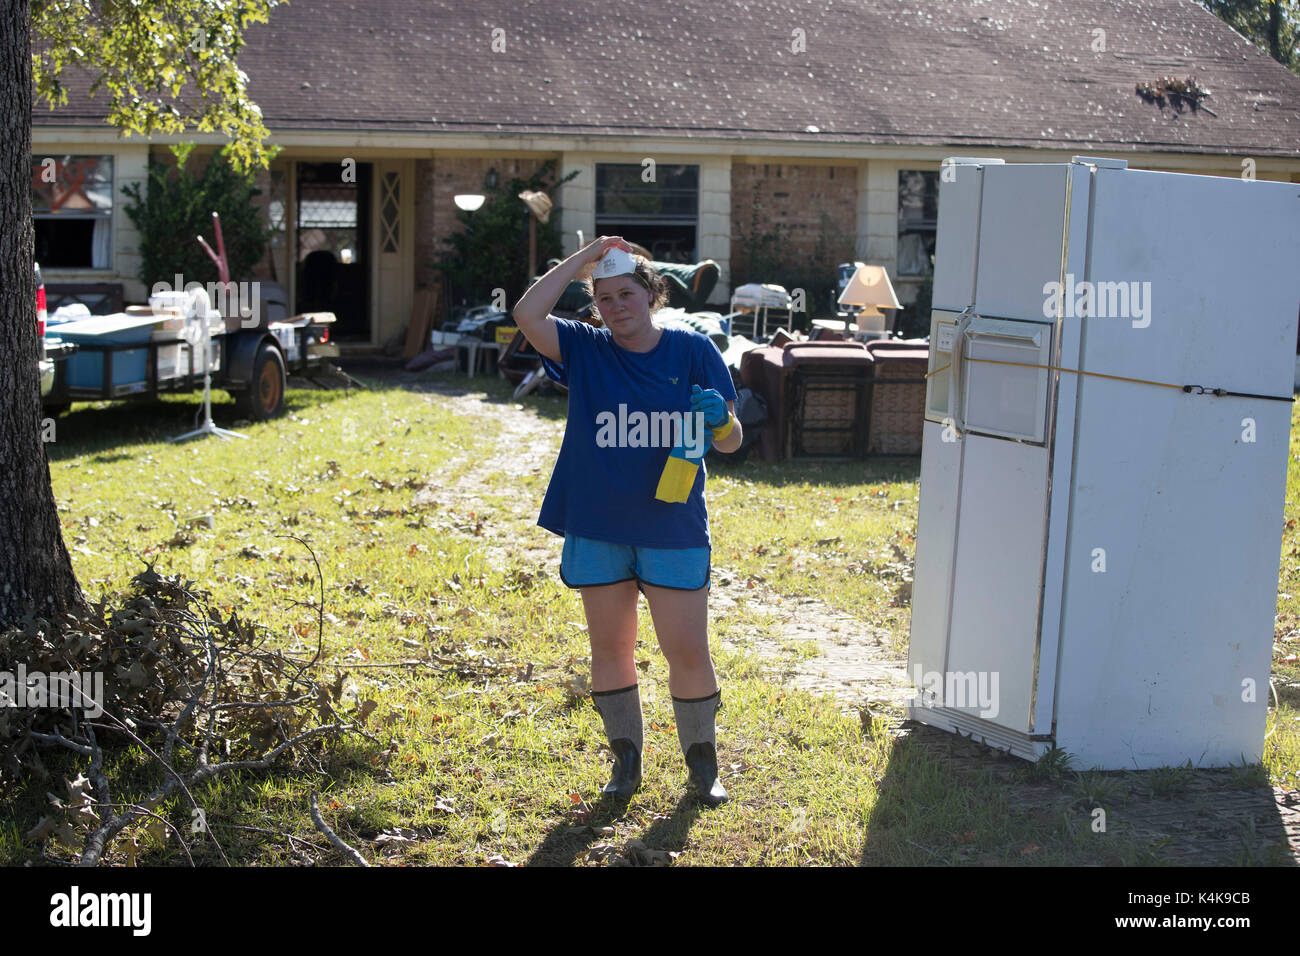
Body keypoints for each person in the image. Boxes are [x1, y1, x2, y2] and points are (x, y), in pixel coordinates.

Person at [512, 236, 742, 807]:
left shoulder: (692, 350)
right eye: (604, 297)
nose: (616, 307)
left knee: (686, 647)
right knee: (609, 647)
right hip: (599, 523)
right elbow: (526, 313)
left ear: (652, 294)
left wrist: (718, 422)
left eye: (627, 294)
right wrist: (583, 258)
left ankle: (703, 768)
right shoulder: (586, 348)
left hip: (672, 525)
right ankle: (625, 764)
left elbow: (734, 441)